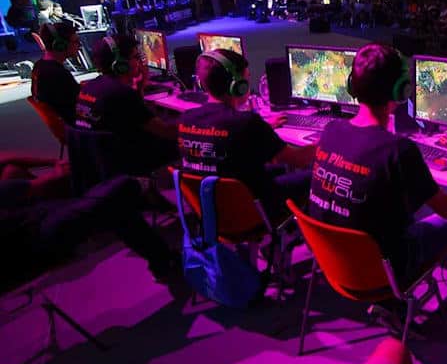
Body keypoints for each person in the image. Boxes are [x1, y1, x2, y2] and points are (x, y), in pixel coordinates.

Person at [307, 43, 447, 281]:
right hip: (382, 273)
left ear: (352, 85)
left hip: (335, 265)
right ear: (400, 91)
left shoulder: (330, 130)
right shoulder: (398, 150)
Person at [0, 153, 175, 291]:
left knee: (115, 208)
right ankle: (139, 186)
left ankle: (163, 262)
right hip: (32, 243)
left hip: (32, 215)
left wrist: (53, 163)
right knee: (118, 190)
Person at [177, 49, 315, 222]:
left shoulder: (186, 119)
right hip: (253, 211)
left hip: (212, 212)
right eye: (247, 78)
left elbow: (229, 138)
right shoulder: (247, 123)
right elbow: (299, 159)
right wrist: (326, 141)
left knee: (278, 169)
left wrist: (265, 128)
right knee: (316, 175)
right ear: (237, 85)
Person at [76, 35, 178, 174]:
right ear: (120, 64)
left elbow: (134, 117)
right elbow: (165, 131)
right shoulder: (121, 94)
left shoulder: (89, 87)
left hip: (100, 161)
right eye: (135, 57)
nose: (139, 62)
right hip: (128, 161)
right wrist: (192, 121)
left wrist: (140, 87)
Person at [31, 23, 81, 124]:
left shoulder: (40, 66)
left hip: (63, 121)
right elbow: (83, 104)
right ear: (60, 45)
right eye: (76, 41)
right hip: (77, 124)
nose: (80, 45)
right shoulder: (58, 74)